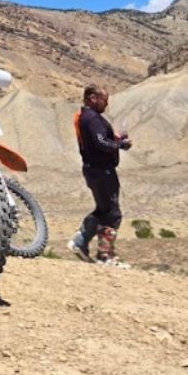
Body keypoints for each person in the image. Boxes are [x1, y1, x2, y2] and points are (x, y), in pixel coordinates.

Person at [69, 84, 132, 267]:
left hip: (92, 169)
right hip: (101, 171)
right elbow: (100, 141)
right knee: (112, 213)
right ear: (92, 98)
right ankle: (105, 256)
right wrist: (121, 145)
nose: (107, 104)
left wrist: (116, 139)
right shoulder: (93, 118)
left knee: (102, 210)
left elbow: (101, 140)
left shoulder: (85, 116)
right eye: (104, 100)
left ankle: (80, 241)